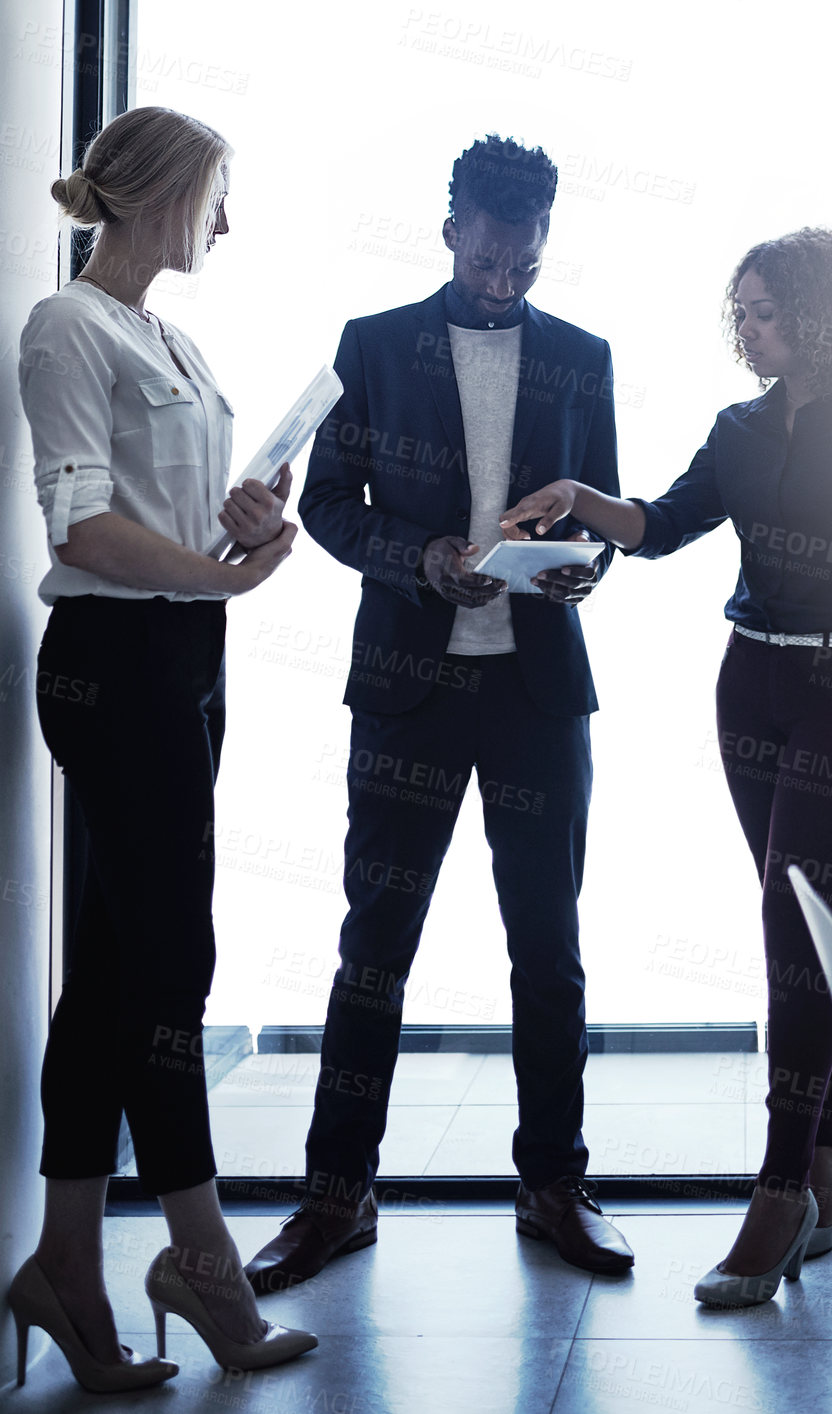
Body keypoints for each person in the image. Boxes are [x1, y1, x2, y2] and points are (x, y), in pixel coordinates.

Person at [500, 227, 832, 1307]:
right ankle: (828, 1158)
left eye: (764, 311)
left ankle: (781, 1190)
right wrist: (574, 497)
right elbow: (660, 525)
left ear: (824, 315)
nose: (746, 329)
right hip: (753, 687)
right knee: (800, 929)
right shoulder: (738, 428)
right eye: (739, 312)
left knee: (793, 929)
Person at [243, 134, 633, 1292]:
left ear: (545, 236)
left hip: (538, 691)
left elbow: (602, 524)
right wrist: (422, 556)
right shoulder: (374, 344)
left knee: (547, 951)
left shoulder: (584, 355)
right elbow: (326, 504)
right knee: (376, 946)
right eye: (491, 243)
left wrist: (578, 569)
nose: (509, 268)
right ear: (452, 222)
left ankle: (554, 1182)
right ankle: (336, 1195)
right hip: (410, 691)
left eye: (530, 250)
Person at [8, 106, 317, 1391]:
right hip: (115, 667)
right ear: (154, 195)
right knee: (171, 965)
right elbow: (79, 529)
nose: (227, 224)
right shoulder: (66, 325)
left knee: (114, 975)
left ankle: (65, 1263)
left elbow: (174, 517)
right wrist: (218, 575)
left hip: (184, 662)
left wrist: (250, 521)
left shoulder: (170, 335)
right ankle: (202, 1261)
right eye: (216, 197)